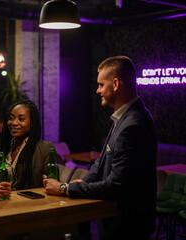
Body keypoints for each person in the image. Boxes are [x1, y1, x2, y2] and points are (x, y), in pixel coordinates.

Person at [43, 56, 157, 239]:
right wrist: (84, 182)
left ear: (116, 84)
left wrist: (64, 188)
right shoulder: (124, 117)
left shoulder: (133, 124)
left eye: (101, 85)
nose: (97, 91)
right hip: (118, 221)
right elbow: (100, 163)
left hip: (127, 226)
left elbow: (116, 186)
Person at [0, 98, 60, 190]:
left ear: (32, 122)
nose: (14, 123)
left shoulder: (45, 148)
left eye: (21, 119)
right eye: (11, 118)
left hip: (31, 202)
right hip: (4, 201)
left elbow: (53, 185)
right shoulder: (3, 150)